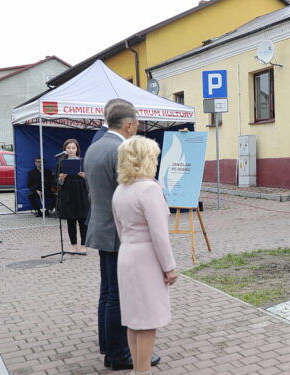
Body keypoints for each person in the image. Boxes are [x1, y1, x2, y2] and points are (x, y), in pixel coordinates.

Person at [85, 99, 160, 370]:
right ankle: (119, 354)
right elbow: (130, 194)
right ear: (128, 125)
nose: (136, 130)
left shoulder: (95, 146)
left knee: (107, 292)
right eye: (137, 125)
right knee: (119, 295)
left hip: (101, 227)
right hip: (120, 234)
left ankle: (109, 345)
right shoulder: (119, 149)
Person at [113, 136, 177, 375]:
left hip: (127, 253)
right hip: (147, 258)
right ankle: (143, 372)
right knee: (148, 321)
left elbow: (120, 228)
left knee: (133, 319)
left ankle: (137, 371)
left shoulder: (121, 189)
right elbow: (160, 234)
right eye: (154, 157)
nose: (157, 161)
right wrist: (169, 267)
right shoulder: (149, 189)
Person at [57, 139, 89, 253]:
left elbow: (91, 179)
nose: (70, 150)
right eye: (68, 148)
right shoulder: (61, 162)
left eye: (73, 148)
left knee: (83, 220)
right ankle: (73, 244)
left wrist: (85, 176)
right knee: (71, 220)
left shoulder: (83, 161)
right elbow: (57, 182)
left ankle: (84, 245)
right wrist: (61, 178)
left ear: (77, 149)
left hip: (81, 192)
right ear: (65, 149)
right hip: (68, 193)